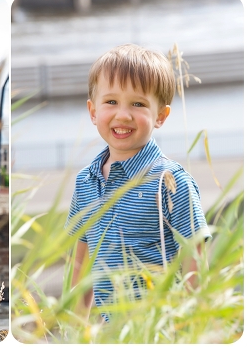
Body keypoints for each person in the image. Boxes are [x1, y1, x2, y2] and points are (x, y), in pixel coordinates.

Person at [67, 44, 211, 321]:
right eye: (111, 102)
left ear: (160, 116)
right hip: (111, 330)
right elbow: (80, 264)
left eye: (138, 104)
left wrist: (195, 327)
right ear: (93, 111)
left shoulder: (170, 181)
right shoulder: (85, 181)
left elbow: (196, 258)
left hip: (161, 326)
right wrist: (75, 327)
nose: (123, 114)